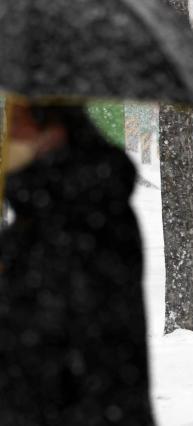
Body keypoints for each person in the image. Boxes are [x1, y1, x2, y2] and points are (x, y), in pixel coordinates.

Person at [0, 102, 155, 425]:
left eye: (19, 122)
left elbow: (61, 330)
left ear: (54, 129)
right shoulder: (42, 211)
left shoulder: (79, 215)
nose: (10, 133)